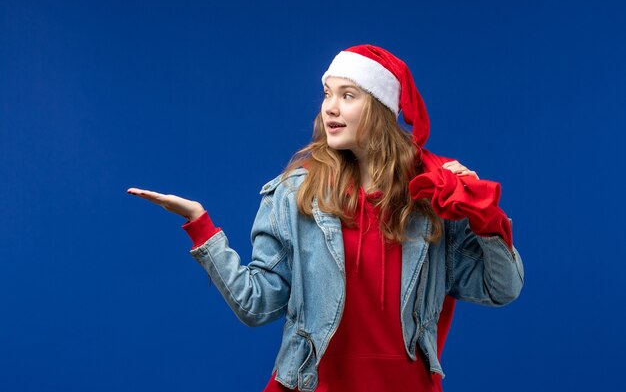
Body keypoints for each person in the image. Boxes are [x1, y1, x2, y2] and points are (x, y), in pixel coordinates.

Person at [128, 44, 524, 392]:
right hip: (314, 384)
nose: (330, 107)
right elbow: (257, 305)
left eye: (347, 95)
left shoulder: (432, 196)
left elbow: (500, 289)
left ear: (382, 109)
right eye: (327, 94)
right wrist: (201, 225)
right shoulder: (295, 195)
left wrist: (481, 213)